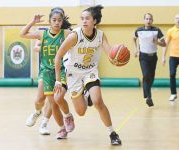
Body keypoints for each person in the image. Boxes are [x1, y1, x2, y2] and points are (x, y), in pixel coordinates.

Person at [54, 5, 121, 145]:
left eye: (87, 18)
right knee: (81, 112)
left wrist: (117, 58)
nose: (84, 21)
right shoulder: (74, 36)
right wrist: (58, 80)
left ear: (94, 21)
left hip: (90, 72)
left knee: (98, 101)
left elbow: (110, 54)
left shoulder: (101, 35)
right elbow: (58, 56)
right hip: (73, 74)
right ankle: (85, 95)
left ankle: (112, 133)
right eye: (82, 19)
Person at [20, 7, 75, 139]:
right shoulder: (42, 34)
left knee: (54, 100)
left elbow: (79, 38)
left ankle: (52, 124)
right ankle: (38, 112)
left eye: (59, 20)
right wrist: (33, 22)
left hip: (60, 70)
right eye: (54, 20)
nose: (57, 22)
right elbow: (22, 34)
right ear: (50, 21)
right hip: (45, 71)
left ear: (62, 21)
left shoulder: (66, 33)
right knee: (41, 100)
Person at [133, 13, 166, 107]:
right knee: (146, 75)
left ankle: (146, 92)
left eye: (150, 19)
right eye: (146, 19)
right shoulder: (139, 30)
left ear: (152, 20)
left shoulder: (157, 30)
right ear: (144, 20)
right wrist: (135, 49)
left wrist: (157, 42)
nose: (148, 20)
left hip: (153, 57)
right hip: (143, 56)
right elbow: (134, 39)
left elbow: (164, 44)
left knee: (151, 77)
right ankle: (149, 97)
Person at [162, 14, 179, 101]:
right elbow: (166, 44)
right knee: (172, 74)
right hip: (173, 56)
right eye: (176, 18)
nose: (178, 20)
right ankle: (173, 93)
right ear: (174, 20)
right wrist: (163, 56)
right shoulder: (170, 31)